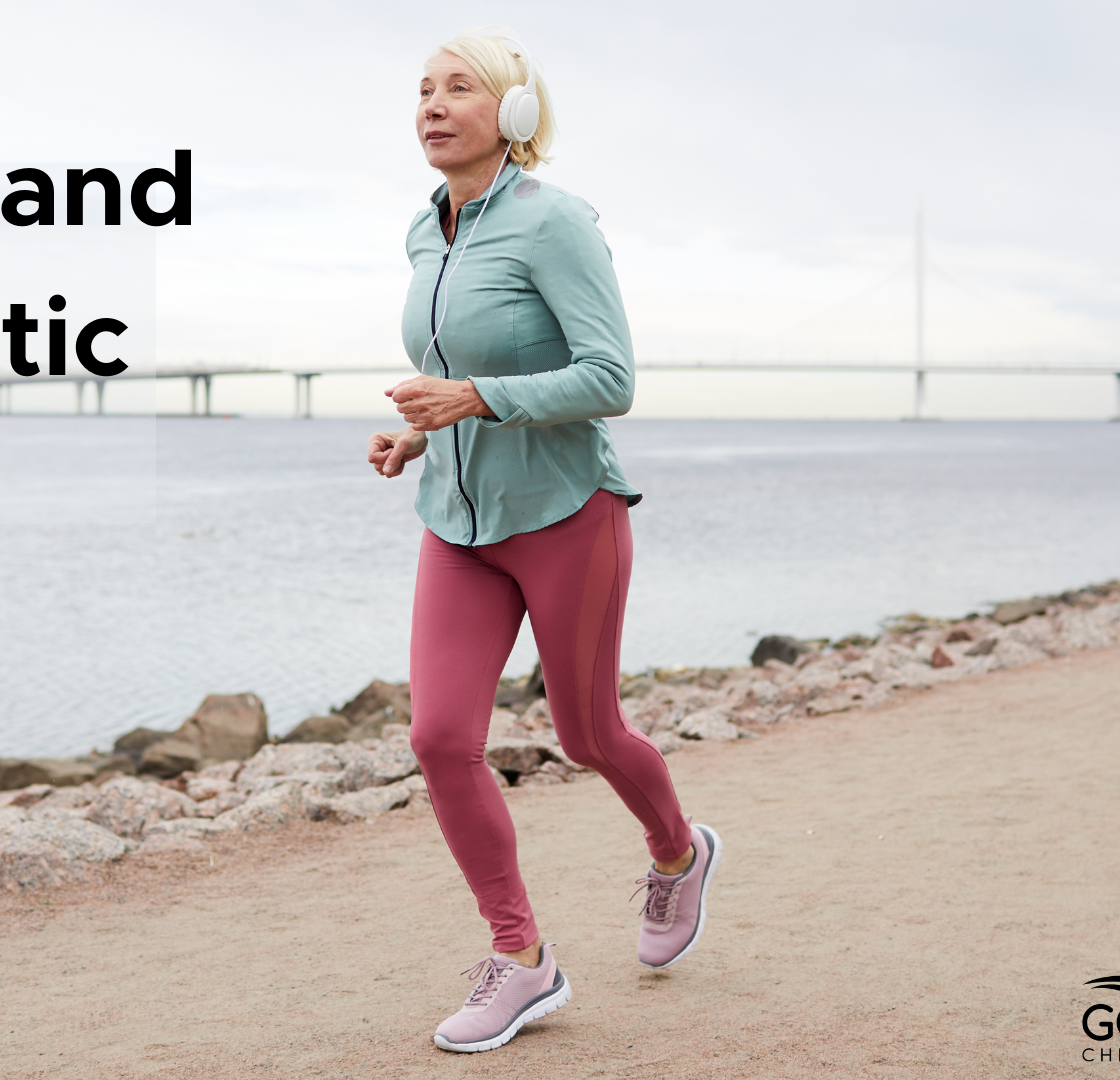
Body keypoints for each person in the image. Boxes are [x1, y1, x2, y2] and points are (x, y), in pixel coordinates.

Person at [367, 28, 723, 1054]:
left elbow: (611, 381)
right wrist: (418, 430)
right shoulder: (422, 233)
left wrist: (476, 395)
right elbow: (453, 367)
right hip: (458, 523)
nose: (432, 105)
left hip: (568, 517)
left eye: (459, 89)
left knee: (588, 733)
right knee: (438, 739)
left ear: (515, 113)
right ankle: (521, 959)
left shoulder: (556, 224)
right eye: (421, 91)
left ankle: (675, 852)